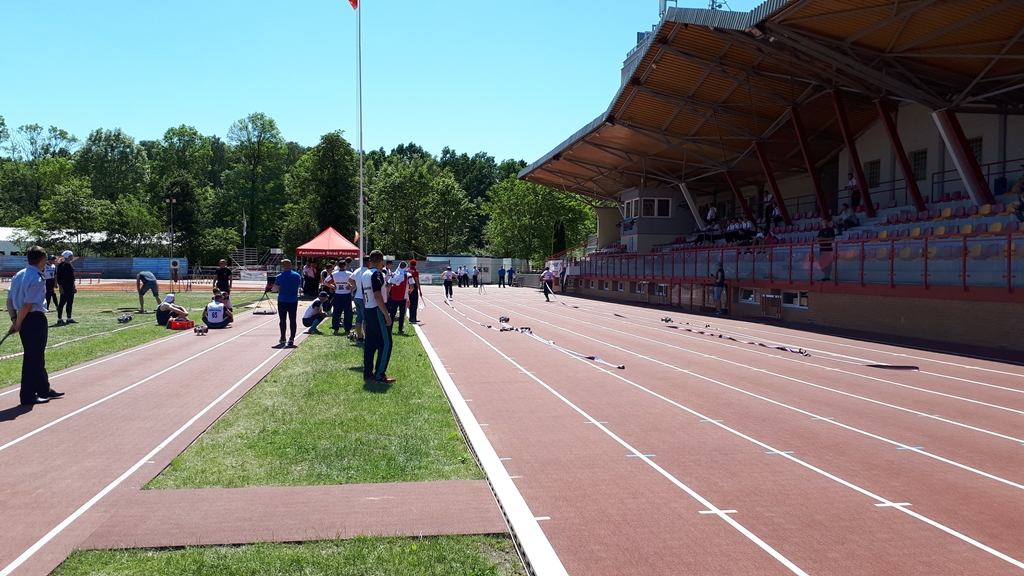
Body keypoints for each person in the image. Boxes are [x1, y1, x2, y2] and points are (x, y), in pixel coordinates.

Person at [7, 246, 63, 406]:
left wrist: (14, 319)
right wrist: (18, 323)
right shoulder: (37, 278)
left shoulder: (18, 275)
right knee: (33, 359)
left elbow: (9, 300)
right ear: (43, 260)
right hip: (34, 319)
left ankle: (43, 388)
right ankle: (28, 395)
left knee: (37, 356)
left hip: (23, 318)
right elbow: (27, 304)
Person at [361, 250, 394, 383]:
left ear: (370, 261)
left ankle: (368, 373)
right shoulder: (377, 274)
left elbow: (364, 294)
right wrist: (386, 314)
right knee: (386, 342)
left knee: (370, 343)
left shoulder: (365, 274)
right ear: (381, 261)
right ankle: (380, 374)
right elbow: (377, 295)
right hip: (376, 309)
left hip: (368, 308)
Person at [274, 259, 302, 347]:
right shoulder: (297, 275)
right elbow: (298, 285)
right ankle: (292, 338)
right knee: (292, 319)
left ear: (283, 266)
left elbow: (276, 287)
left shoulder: (279, 276)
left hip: (282, 299)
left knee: (282, 320)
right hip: (293, 300)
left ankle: (283, 337)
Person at [347, 256, 371, 343]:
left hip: (357, 296)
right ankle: (367, 337)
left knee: (359, 318)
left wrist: (355, 285)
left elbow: (349, 279)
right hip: (364, 297)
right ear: (369, 262)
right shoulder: (368, 272)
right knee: (365, 318)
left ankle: (360, 337)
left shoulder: (357, 270)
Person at [330, 258, 353, 335]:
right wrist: (351, 286)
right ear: (345, 265)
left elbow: (325, 281)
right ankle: (347, 328)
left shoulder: (334, 273)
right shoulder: (349, 273)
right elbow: (356, 281)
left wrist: (333, 286)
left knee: (336, 311)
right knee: (348, 312)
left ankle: (335, 328)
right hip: (346, 294)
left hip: (338, 294)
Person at [55, 250, 78, 325]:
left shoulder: (70, 265)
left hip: (70, 286)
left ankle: (69, 318)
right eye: (71, 255)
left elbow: (72, 277)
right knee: (62, 302)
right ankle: (59, 319)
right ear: (67, 256)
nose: (72, 257)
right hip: (65, 285)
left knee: (70, 302)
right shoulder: (62, 265)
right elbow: (59, 277)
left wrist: (74, 286)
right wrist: (60, 287)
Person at [387, 261, 409, 335]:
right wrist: (409, 291)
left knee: (392, 314)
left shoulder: (394, 274)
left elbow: (389, 284)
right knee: (402, 314)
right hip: (403, 297)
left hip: (394, 297)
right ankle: (400, 329)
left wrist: (388, 293)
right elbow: (412, 285)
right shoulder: (407, 275)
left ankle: (390, 328)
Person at [407, 259, 423, 324]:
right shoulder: (416, 271)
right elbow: (417, 281)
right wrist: (420, 290)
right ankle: (413, 318)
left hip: (407, 287)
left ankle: (411, 317)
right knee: (414, 303)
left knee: (409, 303)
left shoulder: (407, 270)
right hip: (414, 287)